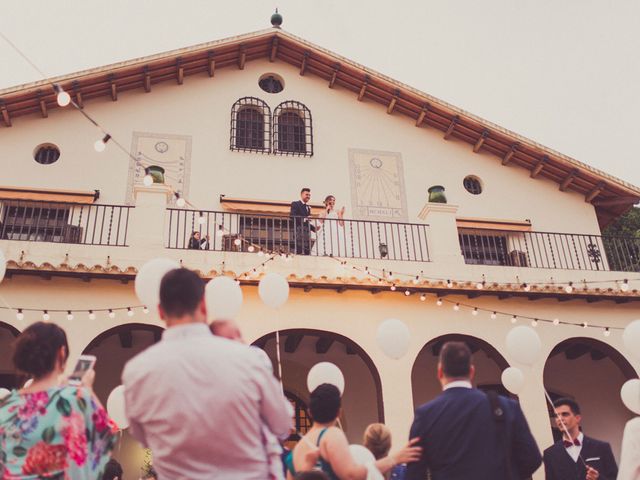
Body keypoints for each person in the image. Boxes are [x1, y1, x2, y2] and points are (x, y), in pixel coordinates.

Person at [122, 268, 292, 480]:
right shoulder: (246, 359)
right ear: (203, 304)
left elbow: (143, 437)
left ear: (160, 311)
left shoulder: (136, 372)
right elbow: (283, 424)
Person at [406, 341, 541, 480]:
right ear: (471, 371)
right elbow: (532, 459)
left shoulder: (425, 414)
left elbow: (414, 474)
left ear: (440, 372)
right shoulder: (507, 406)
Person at [0, 322, 118, 479]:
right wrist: (87, 389)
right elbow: (105, 439)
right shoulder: (73, 400)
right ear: (61, 353)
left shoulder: (6, 406)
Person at [286, 383, 421, 480]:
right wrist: (394, 459)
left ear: (309, 412)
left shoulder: (296, 450)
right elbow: (351, 474)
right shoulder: (331, 435)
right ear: (339, 412)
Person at [543, 397, 618, 480]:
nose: (560, 419)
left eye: (565, 414)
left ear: (577, 418)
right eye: (556, 416)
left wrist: (598, 478)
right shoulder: (549, 454)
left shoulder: (602, 447)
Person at [290, 188, 316, 255]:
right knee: (300, 251)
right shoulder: (295, 204)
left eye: (309, 195)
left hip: (307, 234)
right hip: (299, 231)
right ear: (301, 195)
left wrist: (314, 228)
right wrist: (305, 218)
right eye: (306, 194)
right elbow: (292, 216)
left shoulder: (308, 207)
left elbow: (307, 222)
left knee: (307, 252)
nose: (308, 196)